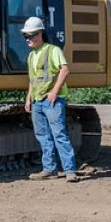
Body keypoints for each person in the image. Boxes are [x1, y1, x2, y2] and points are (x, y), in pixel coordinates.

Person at [22, 16, 79, 183]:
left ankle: (69, 170)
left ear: (40, 34)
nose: (28, 39)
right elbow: (33, 79)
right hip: (37, 101)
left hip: (52, 100)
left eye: (31, 36)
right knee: (43, 136)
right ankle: (49, 169)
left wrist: (54, 92)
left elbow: (65, 70)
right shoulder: (31, 56)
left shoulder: (53, 50)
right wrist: (28, 97)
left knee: (59, 134)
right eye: (26, 36)